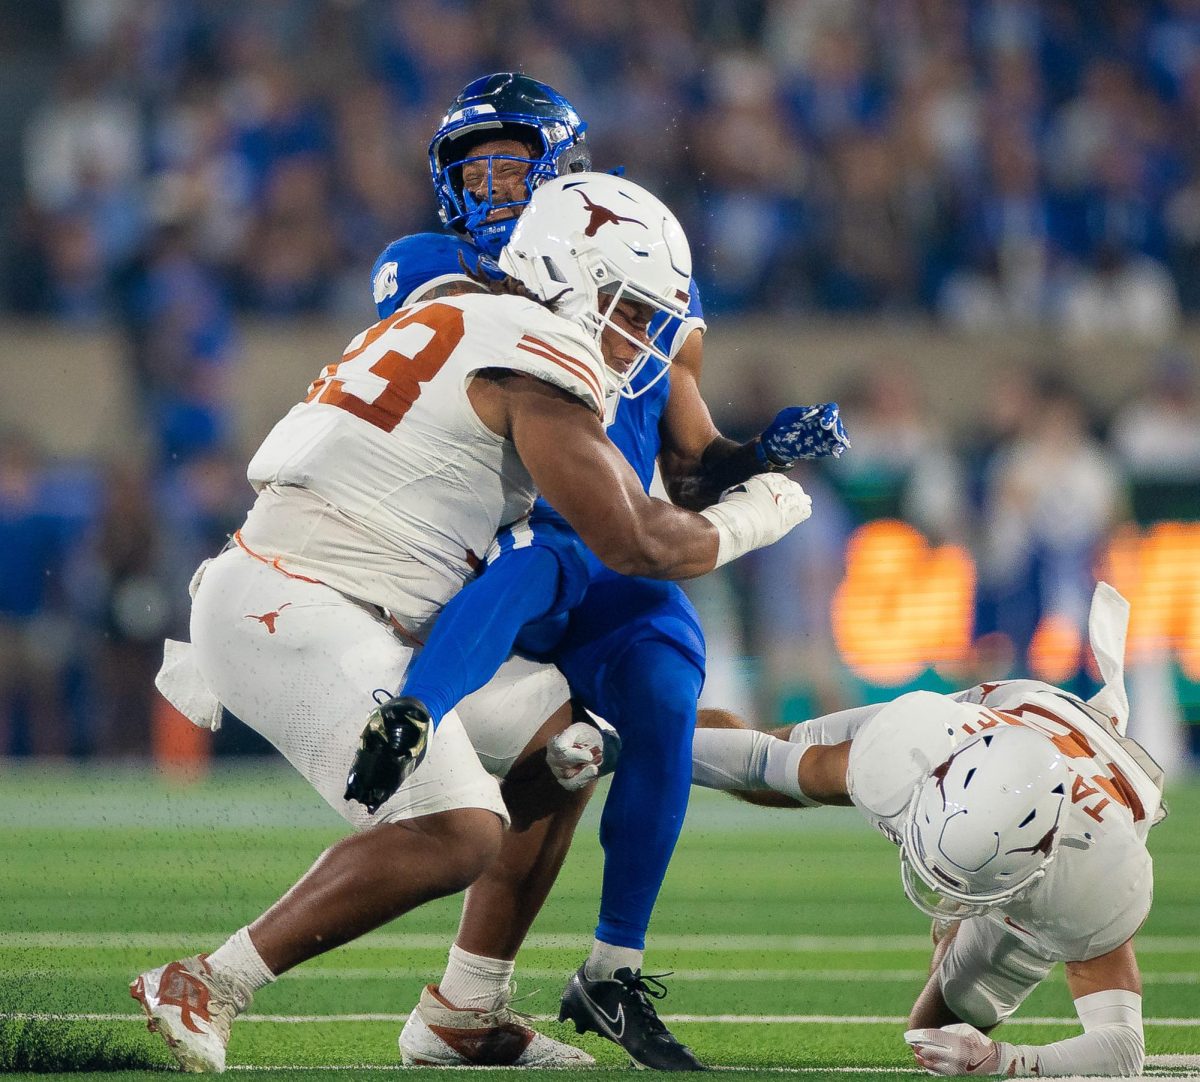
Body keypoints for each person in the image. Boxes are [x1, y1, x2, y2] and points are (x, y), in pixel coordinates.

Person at [133, 170, 814, 1074]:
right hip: (301, 597)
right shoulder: (540, 352)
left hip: (348, 595)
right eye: (628, 309)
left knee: (561, 748)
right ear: (565, 275)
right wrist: (763, 508)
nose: (641, 338)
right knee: (459, 833)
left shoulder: (461, 307)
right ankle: (207, 982)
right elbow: (638, 542)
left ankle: (465, 1008)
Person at [370, 73, 849, 1070]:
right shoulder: (433, 263)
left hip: (609, 543)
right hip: (487, 539)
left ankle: (610, 971)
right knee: (559, 739)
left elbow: (688, 459)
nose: (493, 182)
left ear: (565, 170)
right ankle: (408, 716)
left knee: (670, 677)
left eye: (514, 160)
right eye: (477, 165)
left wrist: (759, 453)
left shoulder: (640, 258)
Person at [691, 583, 1164, 1078]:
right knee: (775, 765)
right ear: (936, 784)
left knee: (939, 1025)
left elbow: (1125, 1051)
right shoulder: (915, 748)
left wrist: (1010, 1062)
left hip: (1108, 781)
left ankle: (969, 927)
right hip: (1013, 708)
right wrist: (627, 742)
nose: (945, 890)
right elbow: (764, 763)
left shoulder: (1094, 871)